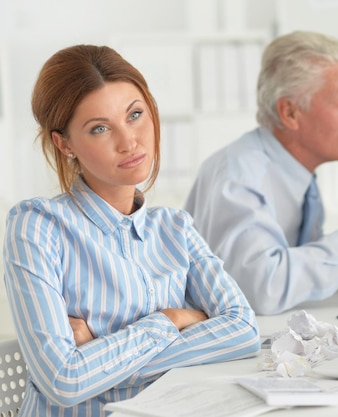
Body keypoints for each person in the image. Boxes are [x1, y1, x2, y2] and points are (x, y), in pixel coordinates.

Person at [2, 45, 260, 416]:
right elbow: (64, 381)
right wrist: (172, 319)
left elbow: (243, 331)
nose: (129, 142)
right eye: (100, 128)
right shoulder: (37, 226)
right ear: (65, 143)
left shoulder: (175, 228)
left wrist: (100, 352)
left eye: (135, 115)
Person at [184, 31, 338, 315]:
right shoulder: (241, 176)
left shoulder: (295, 171)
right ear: (290, 113)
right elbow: (260, 289)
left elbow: (291, 277)